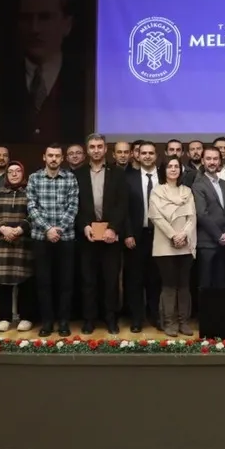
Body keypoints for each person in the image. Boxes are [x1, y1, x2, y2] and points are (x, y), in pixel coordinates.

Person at [0, 0, 87, 144]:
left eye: (45, 17)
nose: (34, 28)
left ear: (67, 25)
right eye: (26, 18)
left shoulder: (86, 80)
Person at [74, 133, 130, 334]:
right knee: (88, 281)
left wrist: (113, 228)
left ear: (106, 149)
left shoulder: (118, 173)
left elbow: (122, 204)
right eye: (92, 147)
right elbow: (75, 205)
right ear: (87, 150)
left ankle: (110, 318)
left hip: (110, 237)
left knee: (111, 281)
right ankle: (89, 319)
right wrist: (84, 226)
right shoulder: (78, 174)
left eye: (100, 146)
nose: (96, 150)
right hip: (87, 236)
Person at [27, 143, 80, 337]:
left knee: (65, 283)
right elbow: (31, 207)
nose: (54, 159)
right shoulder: (34, 178)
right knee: (44, 283)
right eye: (50, 155)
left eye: (57, 156)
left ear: (62, 158)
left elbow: (73, 207)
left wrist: (59, 230)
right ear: (44, 157)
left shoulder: (70, 178)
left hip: (66, 239)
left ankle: (64, 322)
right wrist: (48, 229)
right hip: (41, 239)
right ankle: (47, 322)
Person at [148, 157, 197, 337]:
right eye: (170, 166)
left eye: (177, 166)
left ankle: (183, 322)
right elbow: (155, 216)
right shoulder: (157, 191)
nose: (174, 169)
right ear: (164, 170)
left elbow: (192, 217)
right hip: (164, 245)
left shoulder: (187, 191)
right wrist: (173, 235)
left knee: (184, 285)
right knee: (169, 285)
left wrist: (183, 235)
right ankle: (169, 323)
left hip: (185, 244)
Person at [0, 160, 32, 332]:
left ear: (23, 174)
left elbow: (34, 214)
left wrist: (20, 229)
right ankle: (4, 318)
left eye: (17, 171)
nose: (14, 174)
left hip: (23, 243)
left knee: (25, 283)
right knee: (2, 283)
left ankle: (25, 317)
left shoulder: (30, 193)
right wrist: (3, 228)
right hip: (0, 244)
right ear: (6, 175)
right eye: (10, 171)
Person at [125, 142, 164, 332]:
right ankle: (137, 319)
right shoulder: (128, 178)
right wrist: (127, 233)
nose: (147, 156)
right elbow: (123, 208)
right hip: (136, 236)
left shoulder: (164, 177)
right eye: (144, 153)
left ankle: (155, 315)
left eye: (151, 153)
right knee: (135, 279)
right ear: (137, 156)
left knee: (156, 279)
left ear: (156, 155)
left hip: (160, 236)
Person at [193, 145, 225, 289]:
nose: (212, 162)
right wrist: (219, 235)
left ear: (220, 161)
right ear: (203, 161)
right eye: (208, 159)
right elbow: (201, 214)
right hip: (207, 244)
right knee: (205, 285)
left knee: (222, 285)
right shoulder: (198, 185)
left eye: (215, 159)